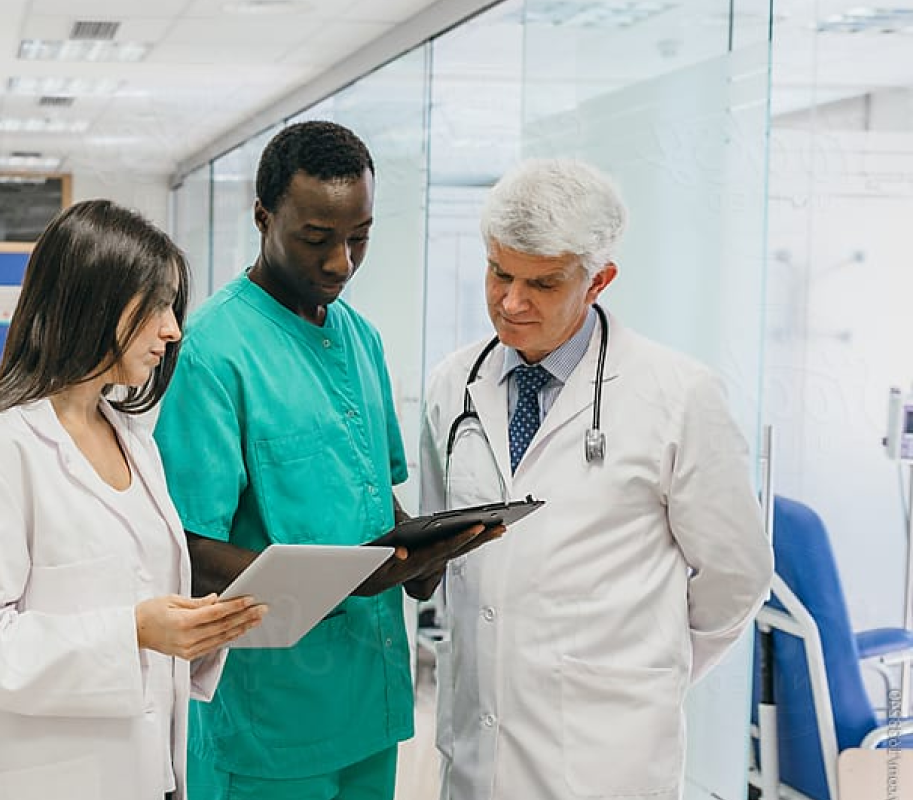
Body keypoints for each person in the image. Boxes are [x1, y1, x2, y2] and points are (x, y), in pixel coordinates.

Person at [153, 120, 498, 800]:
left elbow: (373, 500)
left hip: (368, 705)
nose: (341, 261)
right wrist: (345, 580)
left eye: (359, 236)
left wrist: (426, 554)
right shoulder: (212, 352)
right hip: (268, 721)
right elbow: (186, 546)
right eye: (317, 239)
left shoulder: (360, 339)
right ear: (263, 218)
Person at [418, 158, 774, 800]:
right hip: (477, 746)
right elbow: (444, 550)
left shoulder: (678, 395)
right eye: (499, 272)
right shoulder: (454, 385)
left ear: (598, 280)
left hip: (610, 758)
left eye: (543, 283)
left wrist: (643, 667)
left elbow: (738, 573)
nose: (511, 301)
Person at [0, 199, 266, 800]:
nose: (173, 329)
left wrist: (199, 630)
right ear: (94, 301)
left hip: (150, 776)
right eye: (156, 305)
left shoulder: (136, 444)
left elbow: (144, 614)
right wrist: (133, 631)